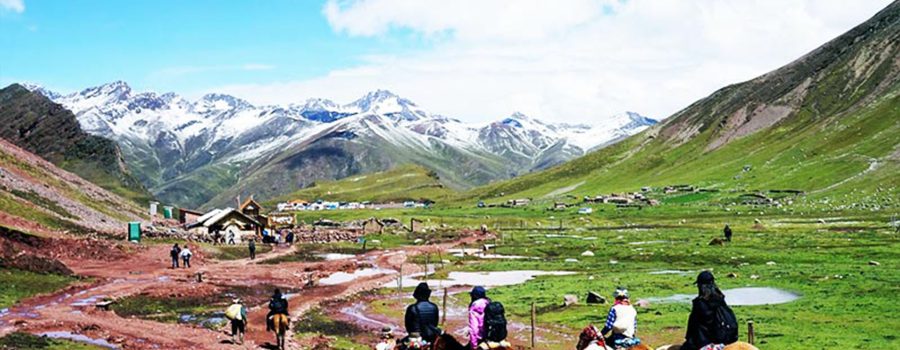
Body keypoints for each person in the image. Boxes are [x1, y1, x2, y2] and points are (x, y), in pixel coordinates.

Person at [682, 271, 739, 350]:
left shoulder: (699, 303)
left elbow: (693, 326)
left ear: (701, 286)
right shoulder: (720, 299)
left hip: (705, 343)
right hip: (723, 341)